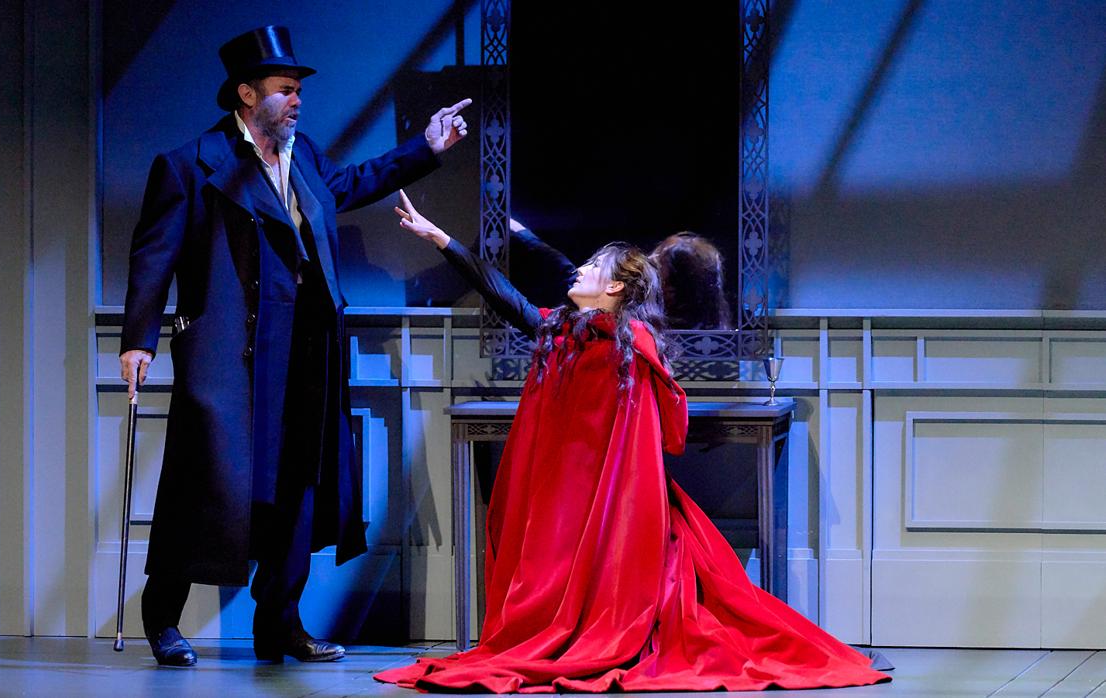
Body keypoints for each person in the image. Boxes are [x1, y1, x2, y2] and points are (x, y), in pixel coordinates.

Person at [374, 192, 889, 692]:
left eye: (593, 266)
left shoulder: (631, 348)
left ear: (616, 287)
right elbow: (505, 297)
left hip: (615, 514)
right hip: (568, 505)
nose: (580, 269)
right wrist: (442, 240)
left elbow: (639, 449)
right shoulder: (561, 332)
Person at [118, 26, 471, 667]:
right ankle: (162, 617)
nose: (298, 100)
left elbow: (355, 183)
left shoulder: (301, 153)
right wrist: (138, 339)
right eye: (286, 89)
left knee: (297, 486)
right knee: (204, 485)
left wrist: (424, 147)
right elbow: (153, 256)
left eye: (299, 90)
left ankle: (279, 622)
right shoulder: (191, 163)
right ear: (247, 94)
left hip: (306, 350)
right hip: (228, 352)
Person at [506, 218, 733, 329]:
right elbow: (566, 271)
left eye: (656, 263)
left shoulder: (635, 327)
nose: (645, 264)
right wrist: (518, 230)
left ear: (673, 290)